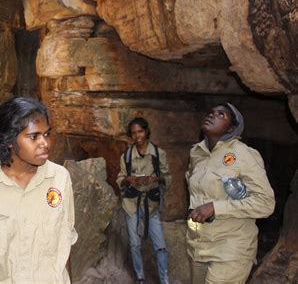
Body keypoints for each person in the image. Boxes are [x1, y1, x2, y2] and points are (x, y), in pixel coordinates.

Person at [0, 97, 78, 283]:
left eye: (47, 134)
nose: (45, 143)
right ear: (10, 141)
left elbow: (64, 246)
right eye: (34, 136)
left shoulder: (60, 179)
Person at [186, 103, 275, 284]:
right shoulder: (197, 153)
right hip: (198, 245)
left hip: (232, 247)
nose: (212, 115)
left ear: (232, 127)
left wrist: (215, 208)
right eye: (211, 112)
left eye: (221, 114)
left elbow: (265, 203)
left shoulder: (244, 154)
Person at [116, 117, 171, 284]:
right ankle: (140, 278)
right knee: (134, 244)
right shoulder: (126, 156)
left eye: (140, 131)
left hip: (151, 205)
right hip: (132, 204)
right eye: (133, 133)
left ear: (146, 132)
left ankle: (164, 279)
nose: (137, 135)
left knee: (160, 246)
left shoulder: (158, 154)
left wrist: (155, 180)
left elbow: (167, 178)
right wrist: (129, 180)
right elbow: (120, 179)